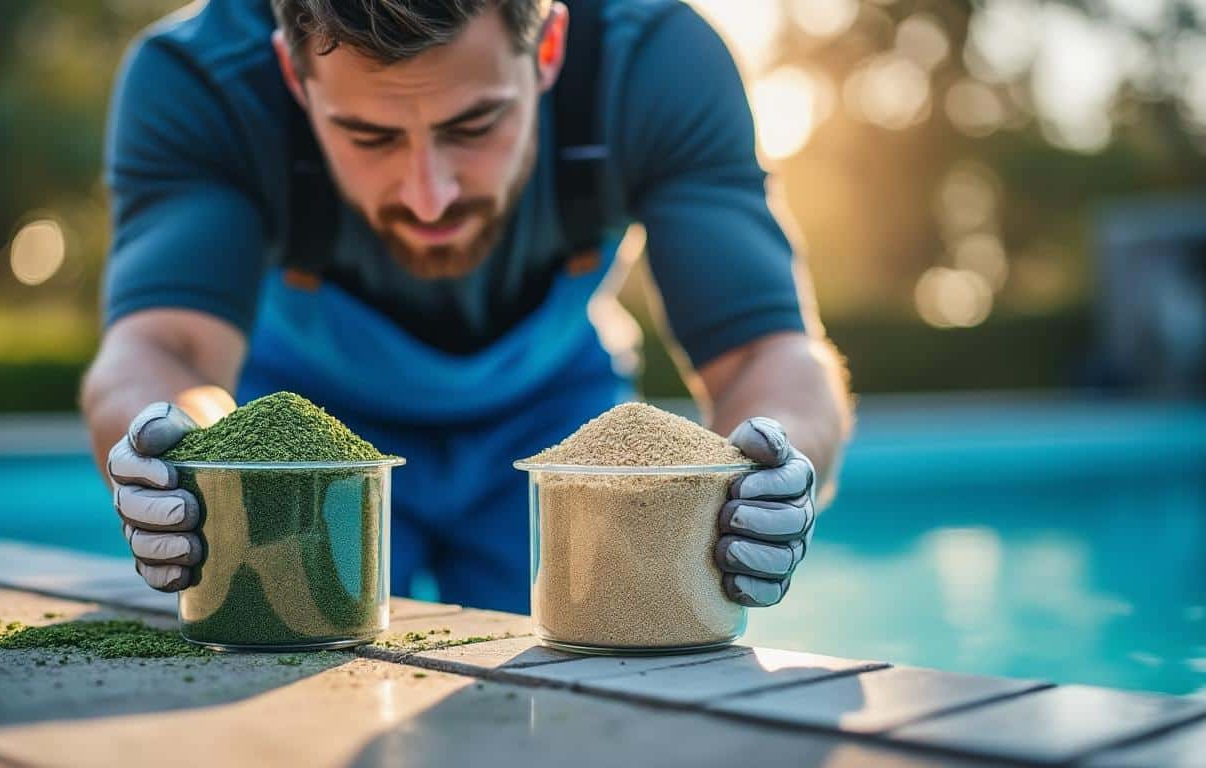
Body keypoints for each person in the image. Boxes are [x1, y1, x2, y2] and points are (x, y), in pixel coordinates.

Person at [82, 0, 852, 615]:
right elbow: (162, 352)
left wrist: (774, 474)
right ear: (291, 71)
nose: (430, 196)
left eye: (474, 125)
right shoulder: (200, 79)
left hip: (557, 423)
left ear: (548, 48)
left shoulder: (655, 63)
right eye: (368, 135)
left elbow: (767, 354)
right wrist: (179, 461)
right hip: (303, 439)